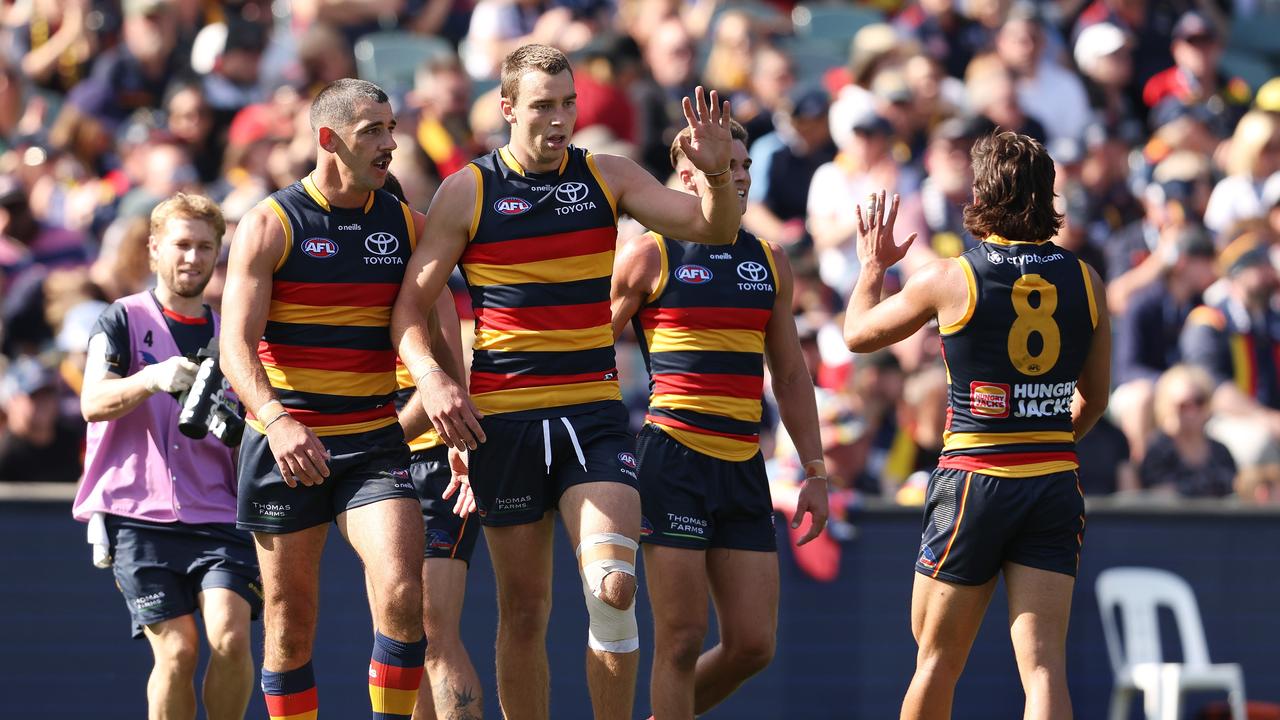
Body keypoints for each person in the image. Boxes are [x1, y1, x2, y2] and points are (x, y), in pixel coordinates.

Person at [390, 44, 741, 720]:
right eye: (543, 106)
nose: (559, 119)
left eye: (568, 103)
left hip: (592, 415)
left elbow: (713, 228)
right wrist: (431, 378)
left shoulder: (606, 175)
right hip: (505, 423)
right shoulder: (469, 189)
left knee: (614, 586)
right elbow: (410, 305)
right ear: (507, 108)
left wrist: (719, 172)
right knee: (524, 612)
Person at [843, 131, 1111, 720]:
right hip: (1052, 482)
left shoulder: (950, 277)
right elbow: (1096, 398)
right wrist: (1045, 440)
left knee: (936, 659)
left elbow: (857, 335)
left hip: (975, 483)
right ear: (1048, 195)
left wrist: (871, 267)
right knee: (1043, 670)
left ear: (980, 192)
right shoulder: (1086, 281)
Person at [220, 79, 441, 720]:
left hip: (373, 440)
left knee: (403, 591)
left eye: (391, 128)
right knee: (290, 623)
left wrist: (447, 401)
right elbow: (235, 345)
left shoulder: (405, 223)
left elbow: (443, 328)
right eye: (372, 130)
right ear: (327, 139)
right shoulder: (271, 222)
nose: (390, 144)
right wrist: (277, 421)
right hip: (289, 443)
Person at [610, 119, 829, 719]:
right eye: (720, 166)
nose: (736, 177)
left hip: (742, 464)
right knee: (679, 641)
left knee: (753, 644)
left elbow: (790, 376)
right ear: (686, 177)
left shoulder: (769, 259)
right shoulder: (649, 252)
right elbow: (589, 350)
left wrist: (815, 469)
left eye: (742, 166)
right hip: (672, 458)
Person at [72, 192, 260, 720]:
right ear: (154, 248)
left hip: (220, 514)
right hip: (138, 515)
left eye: (205, 247)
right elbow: (92, 402)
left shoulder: (234, 333)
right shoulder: (122, 320)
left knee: (228, 637)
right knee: (177, 650)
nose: (192, 258)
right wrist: (151, 377)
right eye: (181, 245)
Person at [384, 172, 485, 720]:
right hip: (390, 469)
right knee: (401, 632)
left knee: (432, 630)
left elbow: (449, 382)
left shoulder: (429, 285)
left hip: (435, 463)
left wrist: (381, 442)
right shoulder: (361, 287)